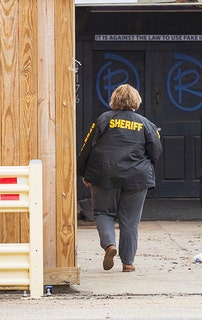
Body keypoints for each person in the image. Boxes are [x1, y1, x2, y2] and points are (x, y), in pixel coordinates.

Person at [77, 84, 162, 272]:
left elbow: (87, 146)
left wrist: (84, 172)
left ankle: (109, 245)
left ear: (114, 100)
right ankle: (128, 263)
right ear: (136, 101)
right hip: (137, 177)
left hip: (104, 174)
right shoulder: (146, 124)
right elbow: (156, 151)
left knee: (103, 212)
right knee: (130, 221)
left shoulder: (103, 120)